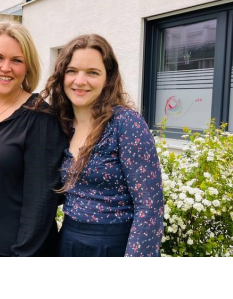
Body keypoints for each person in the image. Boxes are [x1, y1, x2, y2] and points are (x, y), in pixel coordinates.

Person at [36, 33, 164, 257]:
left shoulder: (126, 123)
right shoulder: (62, 124)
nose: (80, 81)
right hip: (67, 242)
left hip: (113, 246)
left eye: (92, 73)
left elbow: (149, 206)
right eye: (72, 71)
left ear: (108, 78)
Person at [0, 21, 66, 257]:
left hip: (18, 252)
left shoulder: (40, 118)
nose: (6, 68)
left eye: (16, 60)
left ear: (27, 66)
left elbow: (41, 203)